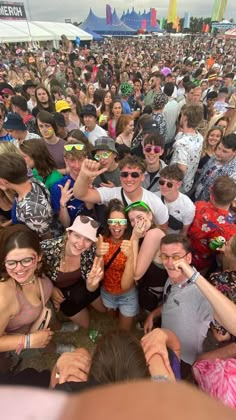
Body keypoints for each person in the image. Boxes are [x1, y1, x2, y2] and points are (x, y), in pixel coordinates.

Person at [144, 233, 236, 377]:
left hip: (184, 359)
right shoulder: (171, 279)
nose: (169, 263)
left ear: (188, 258)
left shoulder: (203, 292)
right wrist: (154, 314)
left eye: (175, 257)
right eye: (164, 256)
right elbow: (170, 303)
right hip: (165, 343)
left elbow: (226, 332)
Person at [41, 216, 104, 329]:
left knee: (103, 310)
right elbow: (35, 273)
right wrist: (50, 289)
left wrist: (92, 284)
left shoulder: (91, 251)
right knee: (86, 324)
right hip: (63, 292)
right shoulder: (47, 249)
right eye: (77, 236)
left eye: (88, 239)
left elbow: (90, 287)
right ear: (69, 233)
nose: (81, 243)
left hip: (82, 283)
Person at [73, 155, 169, 229]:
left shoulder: (155, 202)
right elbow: (80, 194)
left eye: (134, 175)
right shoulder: (111, 193)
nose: (129, 179)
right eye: (124, 174)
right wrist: (83, 175)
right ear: (120, 176)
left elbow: (163, 229)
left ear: (143, 177)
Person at [0, 229, 54, 355]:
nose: (19, 269)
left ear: (39, 256)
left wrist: (52, 289)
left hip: (42, 317)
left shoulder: (38, 268)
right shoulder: (3, 297)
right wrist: (28, 341)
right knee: (45, 347)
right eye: (11, 263)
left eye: (26, 260)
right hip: (23, 336)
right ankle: (56, 349)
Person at [96, 200, 137, 331]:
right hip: (107, 292)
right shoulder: (102, 240)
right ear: (108, 223)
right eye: (112, 221)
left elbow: (133, 275)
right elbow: (99, 276)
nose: (117, 225)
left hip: (127, 294)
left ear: (127, 225)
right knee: (112, 317)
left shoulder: (132, 241)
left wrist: (130, 255)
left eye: (122, 222)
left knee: (124, 330)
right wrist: (97, 255)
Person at [126, 201, 167, 313]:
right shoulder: (148, 232)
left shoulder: (153, 234)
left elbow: (136, 275)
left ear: (149, 215)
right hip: (150, 289)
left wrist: (134, 238)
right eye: (132, 221)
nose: (136, 223)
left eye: (140, 217)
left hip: (155, 294)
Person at [188, 176, 236, 273]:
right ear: (232, 200)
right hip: (202, 263)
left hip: (185, 250)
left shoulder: (198, 205)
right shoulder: (231, 229)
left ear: (211, 195)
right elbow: (222, 254)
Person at [0, 153, 53, 238]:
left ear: (3, 181)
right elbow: (17, 203)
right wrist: (6, 189)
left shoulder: (32, 210)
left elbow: (46, 237)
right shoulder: (32, 181)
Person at [50, 140, 93, 229]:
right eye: (72, 160)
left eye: (80, 160)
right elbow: (65, 224)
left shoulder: (94, 180)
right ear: (66, 160)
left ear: (86, 158)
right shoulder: (58, 187)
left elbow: (90, 209)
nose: (77, 165)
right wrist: (63, 204)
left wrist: (87, 188)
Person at [171, 103, 204, 194]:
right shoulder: (199, 137)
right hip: (189, 184)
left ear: (185, 118)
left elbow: (182, 168)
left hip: (177, 187)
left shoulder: (182, 144)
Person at [193, 134, 236, 202]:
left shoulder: (233, 174)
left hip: (205, 204)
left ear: (234, 152)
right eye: (218, 148)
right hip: (195, 192)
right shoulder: (216, 156)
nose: (218, 153)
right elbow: (204, 171)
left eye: (224, 151)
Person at [158, 165, 195, 234]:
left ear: (178, 185)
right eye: (161, 182)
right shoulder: (154, 197)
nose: (164, 186)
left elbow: (184, 232)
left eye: (169, 184)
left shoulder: (188, 207)